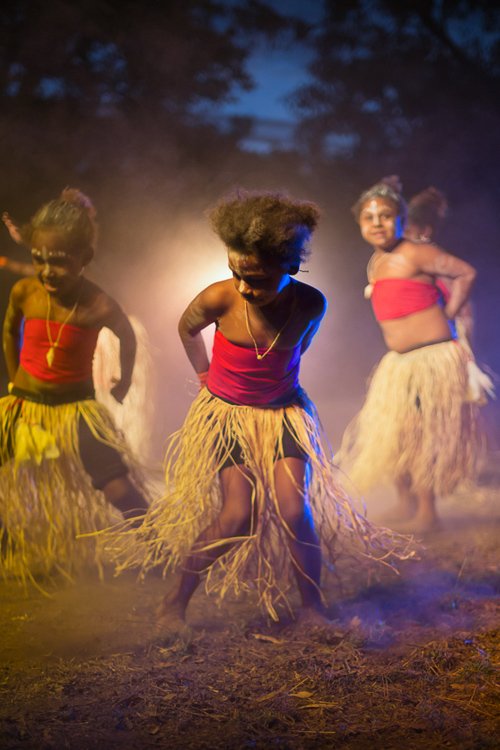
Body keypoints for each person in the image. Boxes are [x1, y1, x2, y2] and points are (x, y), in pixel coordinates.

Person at [125, 189, 414, 635]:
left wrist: (273, 391)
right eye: (237, 273)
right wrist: (205, 376)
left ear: (291, 266)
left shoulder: (310, 304)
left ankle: (313, 609)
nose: (245, 286)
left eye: (257, 278)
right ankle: (173, 604)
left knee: (293, 509)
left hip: (284, 413)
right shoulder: (219, 298)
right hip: (229, 417)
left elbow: (298, 349)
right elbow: (187, 328)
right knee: (236, 518)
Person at [0, 188, 151, 588]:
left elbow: (127, 339)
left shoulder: (98, 304)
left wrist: (124, 380)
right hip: (23, 405)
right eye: (38, 259)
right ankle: (7, 547)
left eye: (60, 262)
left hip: (76, 410)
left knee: (116, 484)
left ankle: (156, 544)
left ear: (84, 259)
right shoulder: (25, 292)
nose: (47, 271)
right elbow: (10, 327)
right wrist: (15, 379)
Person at [338, 176, 481, 533]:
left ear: (401, 219)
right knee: (393, 434)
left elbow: (465, 272)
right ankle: (405, 502)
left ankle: (427, 513)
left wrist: (450, 316)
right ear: (359, 225)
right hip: (398, 363)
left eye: (385, 216)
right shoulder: (376, 262)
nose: (376, 224)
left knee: (420, 436)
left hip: (430, 360)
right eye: (368, 218)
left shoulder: (416, 252)